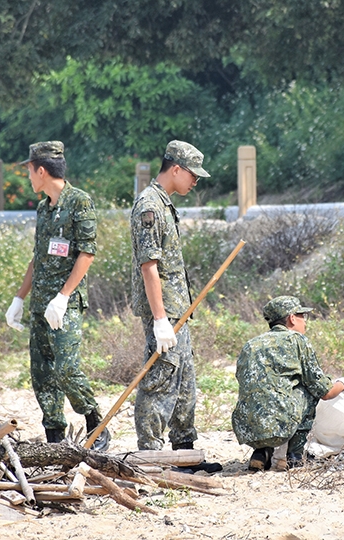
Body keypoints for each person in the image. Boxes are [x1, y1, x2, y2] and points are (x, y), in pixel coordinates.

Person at [5, 141, 110, 451]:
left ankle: (95, 422)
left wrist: (63, 297)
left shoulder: (80, 202)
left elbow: (87, 253)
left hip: (65, 304)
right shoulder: (43, 208)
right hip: (40, 303)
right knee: (42, 374)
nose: (28, 178)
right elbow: (38, 258)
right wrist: (19, 298)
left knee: (66, 368)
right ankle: (54, 437)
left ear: (41, 170)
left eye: (29, 171)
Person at [129, 140, 221, 473]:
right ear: (176, 169)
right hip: (163, 312)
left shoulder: (166, 204)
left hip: (177, 309)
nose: (195, 182)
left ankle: (185, 451)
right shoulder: (148, 206)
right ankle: (150, 455)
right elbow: (149, 267)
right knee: (160, 378)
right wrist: (159, 320)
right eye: (192, 175)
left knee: (184, 380)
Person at [232, 296, 344, 470]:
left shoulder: (251, 344)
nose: (305, 321)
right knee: (307, 389)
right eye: (302, 316)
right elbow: (324, 391)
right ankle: (295, 455)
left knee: (263, 392)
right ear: (292, 318)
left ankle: (261, 452)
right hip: (280, 424)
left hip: (246, 427)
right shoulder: (297, 340)